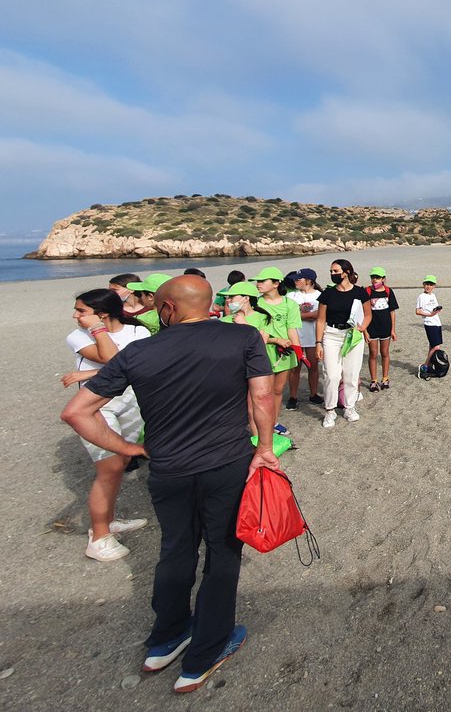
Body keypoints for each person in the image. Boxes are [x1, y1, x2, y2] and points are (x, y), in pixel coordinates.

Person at [60, 275, 278, 692]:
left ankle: (167, 638)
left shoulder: (139, 351)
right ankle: (204, 654)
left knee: (176, 548)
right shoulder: (244, 337)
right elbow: (262, 397)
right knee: (223, 551)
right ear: (208, 303)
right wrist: (264, 447)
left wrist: (129, 449)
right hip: (225, 463)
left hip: (167, 468)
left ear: (167, 309)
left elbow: (76, 413)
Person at [62, 288, 151, 561]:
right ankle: (99, 536)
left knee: (121, 463)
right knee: (109, 468)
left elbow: (136, 365)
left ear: (102, 313)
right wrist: (99, 330)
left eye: (81, 311)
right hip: (99, 407)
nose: (75, 316)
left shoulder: (138, 333)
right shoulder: (78, 336)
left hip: (131, 403)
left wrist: (86, 372)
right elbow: (115, 360)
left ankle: (108, 520)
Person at [315, 259, 371, 428]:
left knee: (351, 374)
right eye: (331, 271)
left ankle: (349, 407)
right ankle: (330, 410)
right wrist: (318, 343)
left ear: (346, 272)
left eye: (336, 271)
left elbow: (368, 314)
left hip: (353, 335)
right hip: (331, 335)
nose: (333, 274)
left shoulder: (360, 293)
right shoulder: (328, 294)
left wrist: (363, 327)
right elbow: (320, 320)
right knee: (332, 375)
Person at [251, 267, 302, 429]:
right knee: (261, 393)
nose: (258, 284)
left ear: (275, 284)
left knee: (278, 390)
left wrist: (298, 352)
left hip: (284, 353)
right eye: (257, 281)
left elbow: (291, 329)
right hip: (261, 351)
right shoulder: (255, 303)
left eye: (262, 281)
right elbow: (253, 332)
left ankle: (273, 422)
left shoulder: (290, 304)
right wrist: (276, 340)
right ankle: (260, 425)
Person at [286, 268, 323, 408]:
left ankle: (313, 394)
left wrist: (299, 316)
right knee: (295, 368)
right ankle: (293, 397)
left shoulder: (319, 296)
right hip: (296, 337)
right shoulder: (291, 296)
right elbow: (290, 316)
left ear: (309, 281)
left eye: (298, 279)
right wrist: (309, 315)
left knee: (313, 366)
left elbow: (319, 315)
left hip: (313, 336)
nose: (295, 281)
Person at [364, 267, 398, 391]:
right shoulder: (367, 291)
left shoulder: (388, 291)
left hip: (385, 327)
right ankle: (374, 380)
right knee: (373, 353)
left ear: (383, 279)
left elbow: (392, 312)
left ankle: (385, 378)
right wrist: (365, 331)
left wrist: (393, 330)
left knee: (385, 353)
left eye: (377, 277)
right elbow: (363, 312)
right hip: (371, 328)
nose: (374, 280)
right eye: (373, 277)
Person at [415, 274, 444, 371]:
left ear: (434, 286)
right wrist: (429, 315)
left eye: (431, 284)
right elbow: (418, 311)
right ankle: (425, 365)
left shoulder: (433, 295)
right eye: (427, 284)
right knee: (436, 347)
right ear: (423, 284)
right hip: (429, 323)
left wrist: (436, 311)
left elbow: (433, 308)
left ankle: (430, 365)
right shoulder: (421, 296)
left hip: (437, 322)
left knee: (432, 346)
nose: (428, 286)